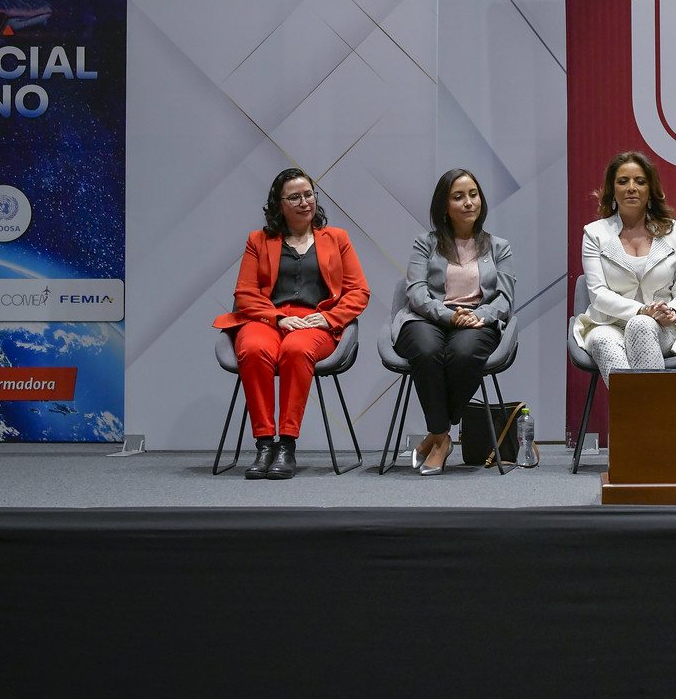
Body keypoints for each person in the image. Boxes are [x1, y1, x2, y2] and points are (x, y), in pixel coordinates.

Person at [213, 167, 370, 480]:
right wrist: (279, 318)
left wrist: (327, 318)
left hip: (316, 322)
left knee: (297, 350)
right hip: (269, 318)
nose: (304, 202)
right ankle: (263, 444)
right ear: (279, 204)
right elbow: (244, 293)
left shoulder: (337, 239)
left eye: (308, 195)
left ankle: (286, 445)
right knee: (254, 348)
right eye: (294, 197)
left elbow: (358, 292)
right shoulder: (258, 241)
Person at [393, 168, 516, 475]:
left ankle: (437, 436)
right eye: (458, 197)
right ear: (444, 206)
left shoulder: (499, 247)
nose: (468, 202)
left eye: (473, 195)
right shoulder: (426, 243)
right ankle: (442, 436)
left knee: (462, 355)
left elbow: (505, 298)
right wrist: (450, 316)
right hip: (428, 318)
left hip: (477, 321)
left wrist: (478, 316)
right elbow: (416, 293)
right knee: (426, 350)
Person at [572, 151, 676, 382]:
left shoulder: (674, 231)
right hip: (607, 324)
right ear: (612, 189)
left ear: (650, 189)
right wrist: (641, 310)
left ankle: (640, 416)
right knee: (602, 339)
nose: (631, 187)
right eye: (623, 181)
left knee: (641, 325)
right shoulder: (594, 233)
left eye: (640, 181)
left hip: (662, 327)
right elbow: (598, 295)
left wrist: (671, 312)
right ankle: (648, 416)